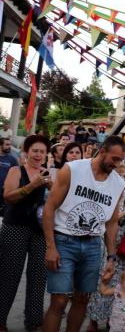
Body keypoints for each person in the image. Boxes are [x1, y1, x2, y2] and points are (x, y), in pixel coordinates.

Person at [41, 136, 125, 332]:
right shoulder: (73, 169)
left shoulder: (118, 184)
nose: (117, 164)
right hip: (64, 240)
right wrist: (50, 246)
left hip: (92, 245)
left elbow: (112, 222)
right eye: (114, 159)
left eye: (121, 160)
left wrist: (112, 257)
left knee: (82, 299)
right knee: (60, 300)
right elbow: (50, 208)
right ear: (102, 151)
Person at [86, 164, 125, 332]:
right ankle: (94, 320)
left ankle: (116, 319)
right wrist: (123, 213)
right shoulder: (105, 195)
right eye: (119, 176)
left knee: (121, 286)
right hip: (106, 249)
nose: (123, 179)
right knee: (101, 285)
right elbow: (102, 221)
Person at [0, 135, 50, 331]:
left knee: (38, 277)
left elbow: (53, 203)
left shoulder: (48, 174)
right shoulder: (16, 170)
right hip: (15, 228)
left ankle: (34, 320)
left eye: (42, 152)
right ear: (27, 152)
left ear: (47, 155)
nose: (38, 155)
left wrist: (52, 189)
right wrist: (32, 185)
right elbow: (8, 197)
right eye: (35, 151)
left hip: (40, 231)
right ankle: (1, 320)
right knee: (9, 275)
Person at [0, 137, 19, 217]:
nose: (9, 147)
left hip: (4, 193)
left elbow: (17, 174)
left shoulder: (12, 160)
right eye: (7, 145)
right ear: (0, 145)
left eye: (10, 145)